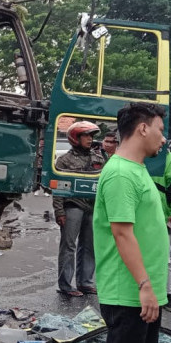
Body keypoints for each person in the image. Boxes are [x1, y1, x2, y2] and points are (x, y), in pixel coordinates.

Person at [93, 102, 168, 343]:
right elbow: (122, 233)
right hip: (129, 292)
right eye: (160, 130)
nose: (163, 138)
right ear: (143, 128)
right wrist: (144, 286)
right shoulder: (121, 174)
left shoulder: (136, 169)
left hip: (145, 291)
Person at [53, 120, 105, 297]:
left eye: (91, 136)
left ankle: (85, 283)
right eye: (86, 135)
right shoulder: (64, 160)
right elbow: (58, 188)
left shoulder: (99, 158)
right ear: (76, 137)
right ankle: (66, 285)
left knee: (90, 246)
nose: (90, 139)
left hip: (93, 207)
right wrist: (59, 211)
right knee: (68, 246)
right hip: (72, 206)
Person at [149, 150, 171, 313]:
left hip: (160, 215)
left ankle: (169, 294)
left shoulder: (167, 157)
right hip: (133, 213)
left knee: (165, 256)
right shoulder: (130, 153)